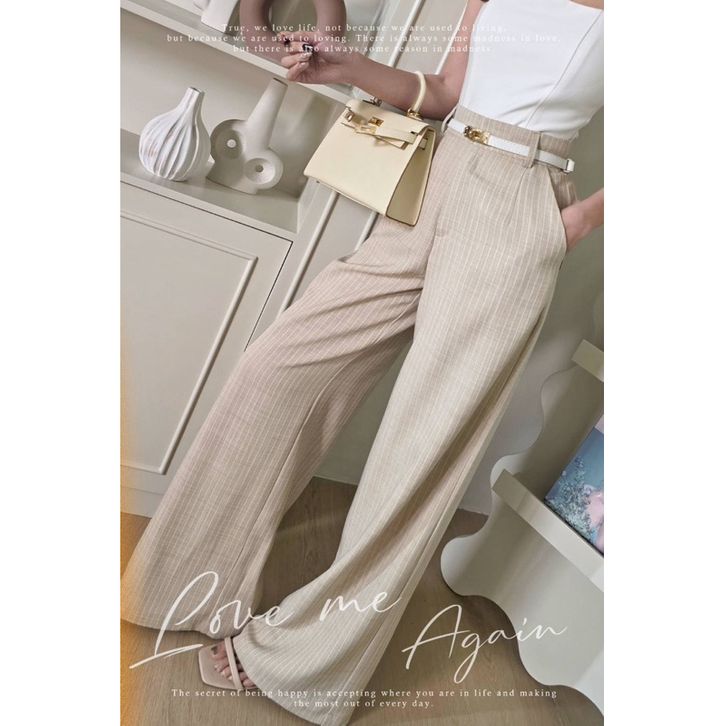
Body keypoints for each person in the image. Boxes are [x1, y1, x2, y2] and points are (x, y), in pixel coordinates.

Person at [121, 1, 604, 724]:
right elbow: (446, 92)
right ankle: (188, 582)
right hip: (434, 176)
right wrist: (348, 68)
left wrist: (573, 222)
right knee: (278, 369)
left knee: (420, 445)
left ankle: (307, 662)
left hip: (519, 207)